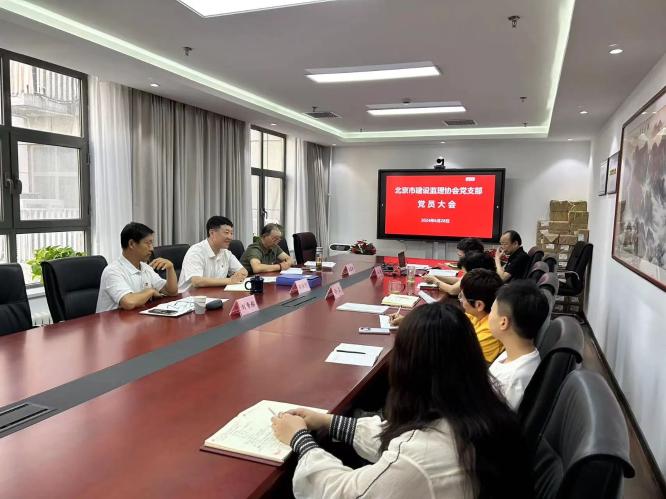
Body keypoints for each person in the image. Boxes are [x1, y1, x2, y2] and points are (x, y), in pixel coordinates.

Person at [270, 303, 533, 499]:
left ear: (409, 368)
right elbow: (394, 438)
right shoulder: (479, 409)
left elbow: (346, 493)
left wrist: (300, 440)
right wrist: (328, 421)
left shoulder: (422, 457)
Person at [488, 280, 549, 410]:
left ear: (503, 322)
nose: (489, 315)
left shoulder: (512, 381)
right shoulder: (513, 353)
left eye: (491, 310)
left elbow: (494, 421)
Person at [96, 222, 178, 312]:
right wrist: (150, 291)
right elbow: (128, 302)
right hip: (113, 320)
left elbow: (171, 292)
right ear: (131, 244)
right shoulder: (112, 271)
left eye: (151, 243)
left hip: (136, 317)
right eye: (148, 243)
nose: (152, 249)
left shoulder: (145, 267)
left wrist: (170, 268)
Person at [178, 216, 247, 290]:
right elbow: (197, 281)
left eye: (231, 233)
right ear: (212, 233)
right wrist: (230, 280)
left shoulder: (226, 253)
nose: (230, 237)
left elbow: (243, 271)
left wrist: (240, 275)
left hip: (214, 294)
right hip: (189, 295)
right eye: (226, 233)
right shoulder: (196, 251)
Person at [458, 268, 505, 363]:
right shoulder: (476, 314)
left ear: (479, 305)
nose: (460, 300)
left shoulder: (488, 334)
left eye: (462, 296)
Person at [421, 250, 496, 297]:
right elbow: (459, 280)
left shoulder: (482, 281)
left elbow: (452, 290)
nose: (463, 273)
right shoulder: (484, 274)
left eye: (464, 272)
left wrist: (434, 280)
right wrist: (436, 277)